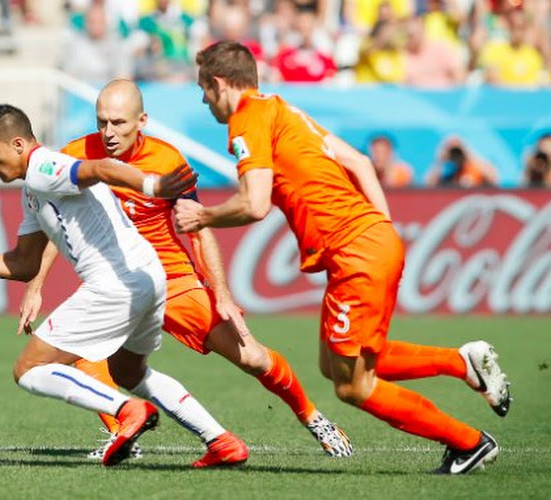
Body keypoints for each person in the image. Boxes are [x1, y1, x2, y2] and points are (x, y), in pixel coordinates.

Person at [174, 41, 512, 475]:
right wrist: (382, 230)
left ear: (219, 83)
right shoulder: (282, 109)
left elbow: (254, 204)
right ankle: (460, 363)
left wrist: (203, 215)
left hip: (357, 252)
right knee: (333, 364)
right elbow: (360, 163)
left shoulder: (247, 120)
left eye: (203, 88)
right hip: (368, 242)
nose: (203, 99)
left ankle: (468, 443)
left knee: (354, 386)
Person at [20, 79, 354, 460]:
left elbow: (197, 228)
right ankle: (127, 435)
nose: (109, 133)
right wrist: (36, 285)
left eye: (119, 123)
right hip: (113, 285)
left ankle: (313, 418)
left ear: (142, 120)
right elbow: (54, 220)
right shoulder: (77, 154)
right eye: (102, 123)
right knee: (80, 358)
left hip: (171, 278)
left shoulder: (167, 161)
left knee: (252, 357)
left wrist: (222, 295)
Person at [0, 104, 248, 468]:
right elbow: (23, 264)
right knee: (129, 372)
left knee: (28, 370)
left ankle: (126, 411)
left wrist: (153, 185)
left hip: (114, 284)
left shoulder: (44, 167)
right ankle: (222, 441)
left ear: (18, 144)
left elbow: (101, 167)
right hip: (148, 276)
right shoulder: (32, 188)